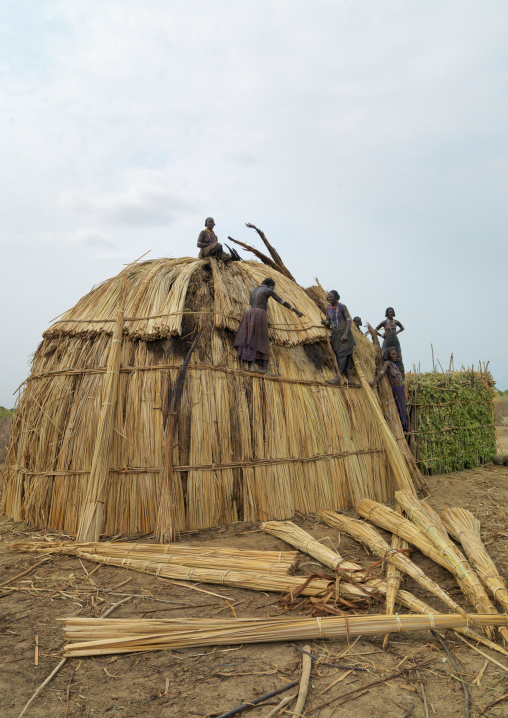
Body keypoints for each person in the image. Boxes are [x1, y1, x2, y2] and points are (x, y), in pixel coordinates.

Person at [234, 278, 304, 374]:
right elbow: (282, 302)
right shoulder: (268, 290)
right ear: (271, 285)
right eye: (273, 288)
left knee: (250, 337)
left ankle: (252, 366)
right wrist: (296, 311)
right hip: (259, 313)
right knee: (263, 339)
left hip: (249, 313)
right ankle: (265, 369)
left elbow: (251, 305)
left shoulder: (253, 289)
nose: (273, 290)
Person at [322, 290, 356, 384]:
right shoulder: (328, 308)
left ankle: (338, 377)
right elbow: (328, 322)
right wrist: (325, 323)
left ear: (337, 297)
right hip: (335, 334)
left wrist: (345, 334)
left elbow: (349, 321)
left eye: (332, 296)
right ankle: (350, 379)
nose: (330, 298)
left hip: (344, 332)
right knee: (339, 355)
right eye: (328, 296)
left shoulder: (342, 307)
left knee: (342, 355)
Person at [370, 347, 407, 431]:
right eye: (392, 354)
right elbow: (382, 373)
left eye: (395, 354)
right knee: (398, 408)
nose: (394, 355)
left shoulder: (395, 365)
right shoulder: (388, 363)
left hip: (400, 389)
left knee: (403, 408)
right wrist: (374, 382)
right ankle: (400, 426)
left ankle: (404, 426)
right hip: (395, 389)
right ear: (389, 355)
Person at [375, 307, 405, 375]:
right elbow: (375, 330)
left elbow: (402, 328)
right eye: (389, 312)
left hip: (395, 340)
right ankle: (383, 371)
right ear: (386, 313)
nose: (390, 313)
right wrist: (382, 336)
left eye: (391, 312)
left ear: (393, 313)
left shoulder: (396, 322)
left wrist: (396, 333)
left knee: (398, 356)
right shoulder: (384, 322)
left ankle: (401, 374)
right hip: (387, 340)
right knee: (383, 355)